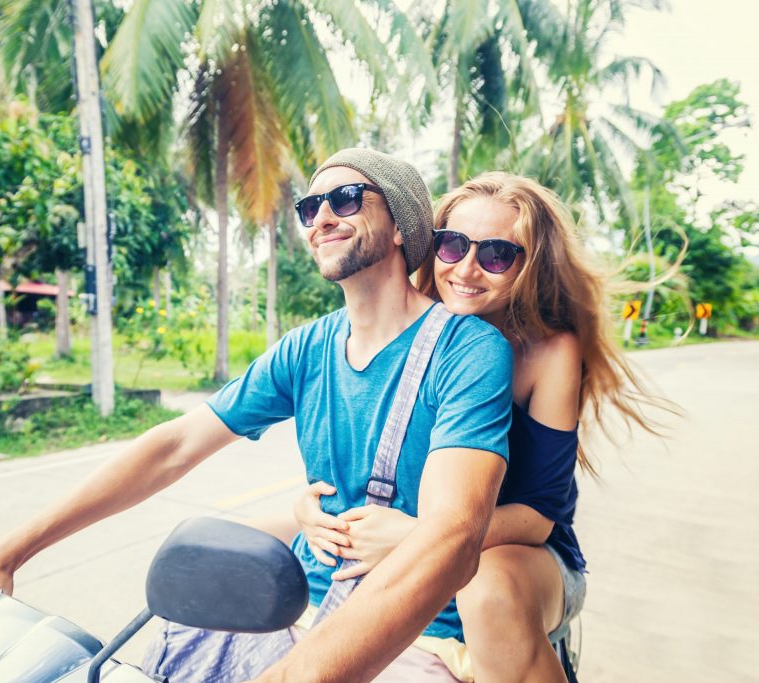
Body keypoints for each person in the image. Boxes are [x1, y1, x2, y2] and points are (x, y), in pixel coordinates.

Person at [0, 149, 514, 683]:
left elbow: (452, 535)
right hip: (288, 602)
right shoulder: (306, 349)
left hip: (416, 637)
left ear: (400, 228)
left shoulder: (467, 351)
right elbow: (173, 447)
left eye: (345, 199)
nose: (322, 218)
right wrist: (5, 555)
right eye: (309, 207)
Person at [284, 172, 674, 683]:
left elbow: (538, 517)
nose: (467, 269)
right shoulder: (412, 329)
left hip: (521, 548)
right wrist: (306, 506)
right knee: (263, 535)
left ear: (529, 266)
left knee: (487, 589)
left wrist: (418, 537)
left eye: (496, 256)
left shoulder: (550, 352)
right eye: (452, 246)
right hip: (419, 526)